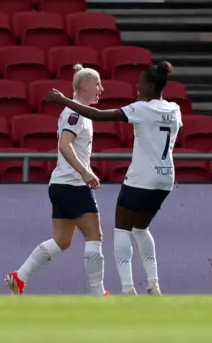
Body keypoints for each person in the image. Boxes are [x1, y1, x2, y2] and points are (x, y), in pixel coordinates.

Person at [45, 61, 180, 296]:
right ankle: (154, 283)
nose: (137, 90)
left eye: (140, 85)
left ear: (150, 86)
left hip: (141, 178)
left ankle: (127, 288)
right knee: (141, 228)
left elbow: (98, 115)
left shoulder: (141, 108)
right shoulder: (174, 109)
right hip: (166, 178)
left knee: (122, 230)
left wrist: (65, 100)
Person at [6, 64, 108, 296]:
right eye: (97, 84)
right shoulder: (75, 113)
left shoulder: (79, 112)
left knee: (62, 241)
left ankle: (19, 277)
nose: (101, 89)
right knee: (95, 236)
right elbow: (65, 145)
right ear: (84, 86)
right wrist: (84, 172)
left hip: (61, 185)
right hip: (73, 184)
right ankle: (98, 294)